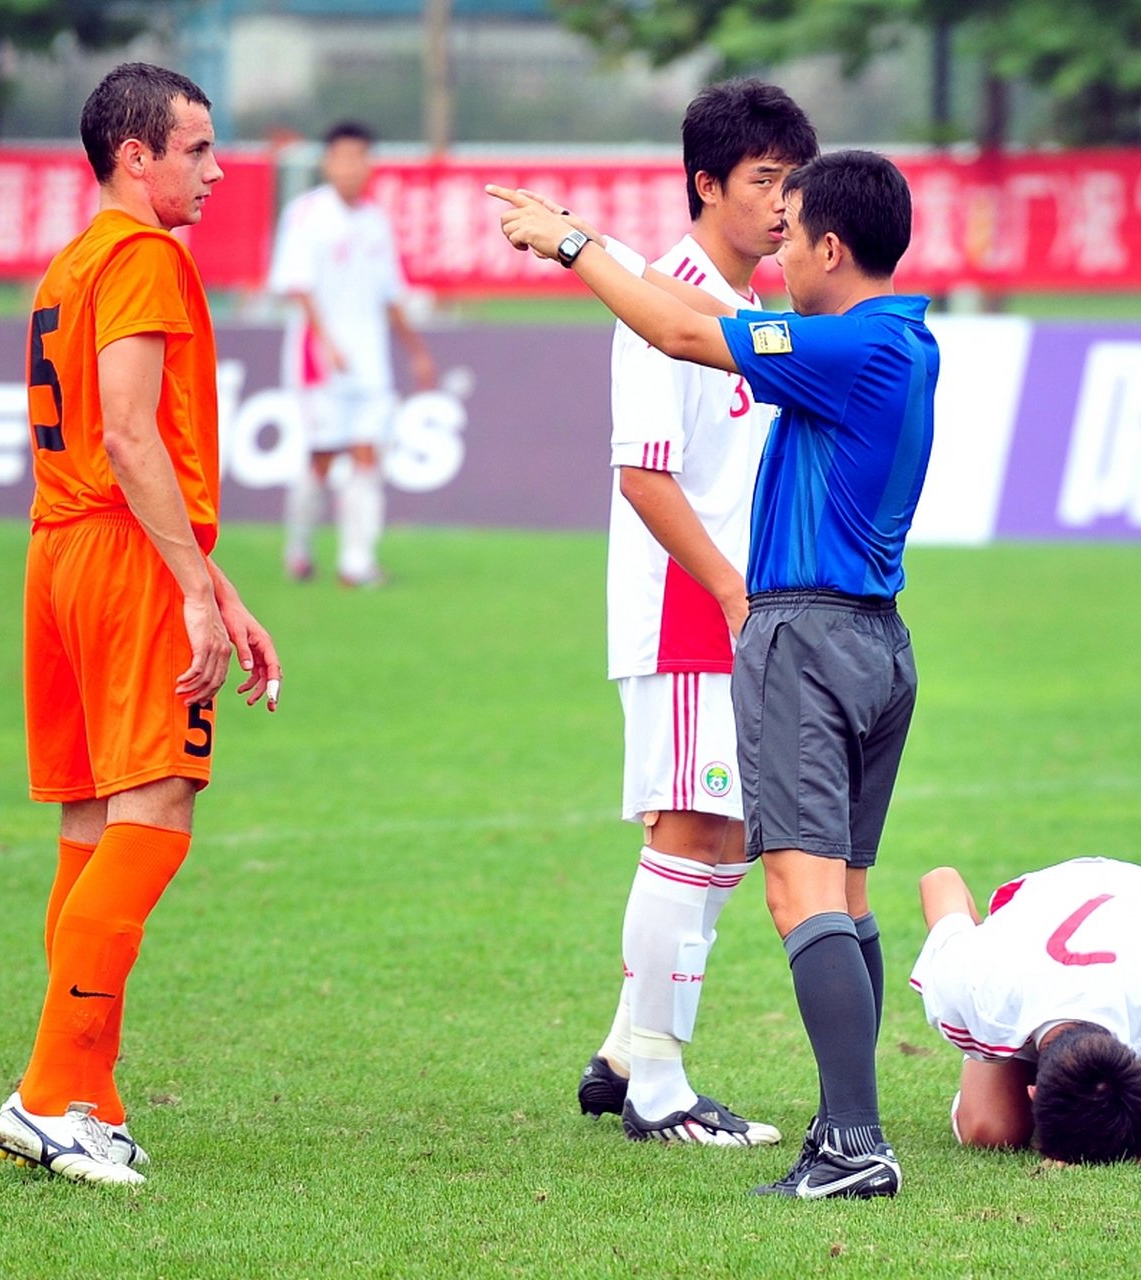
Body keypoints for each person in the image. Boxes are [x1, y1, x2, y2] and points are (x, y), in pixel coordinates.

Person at [493, 147, 937, 1199]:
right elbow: (687, 316)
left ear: (833, 245)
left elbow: (680, 328)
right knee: (847, 892)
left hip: (807, 636)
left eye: (793, 230)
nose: (778, 248)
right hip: (877, 638)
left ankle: (851, 1140)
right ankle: (844, 1118)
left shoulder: (845, 345)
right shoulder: (904, 340)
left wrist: (566, 239)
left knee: (793, 890)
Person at [0, 63, 282, 1186]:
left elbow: (119, 443)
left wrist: (219, 582)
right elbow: (129, 434)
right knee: (157, 811)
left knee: (91, 825)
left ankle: (90, 1093)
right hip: (118, 558)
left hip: (60, 554)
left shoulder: (72, 260)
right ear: (135, 155)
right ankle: (46, 1090)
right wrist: (192, 589)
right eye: (197, 148)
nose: (215, 170)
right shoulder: (148, 256)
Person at [577, 79, 817, 1150]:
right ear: (705, 184)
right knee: (692, 830)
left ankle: (629, 1048)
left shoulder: (754, 309)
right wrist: (730, 591)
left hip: (729, 605)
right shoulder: (659, 304)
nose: (782, 205)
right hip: (688, 609)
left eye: (792, 184)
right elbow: (644, 475)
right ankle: (660, 1091)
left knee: (720, 838)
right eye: (763, 181)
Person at [911, 858, 1141, 1165]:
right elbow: (941, 880)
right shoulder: (976, 988)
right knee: (990, 1130)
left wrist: (1129, 1156)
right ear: (1033, 1089)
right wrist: (979, 975)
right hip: (1052, 902)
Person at [271, 120, 436, 587]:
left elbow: (390, 295)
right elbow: (296, 287)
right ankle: (299, 548)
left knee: (367, 456)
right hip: (320, 362)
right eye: (342, 158)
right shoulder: (306, 215)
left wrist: (416, 352)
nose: (351, 168)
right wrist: (326, 341)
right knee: (322, 459)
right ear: (327, 163)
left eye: (359, 158)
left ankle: (356, 563)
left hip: (371, 362)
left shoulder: (375, 221)